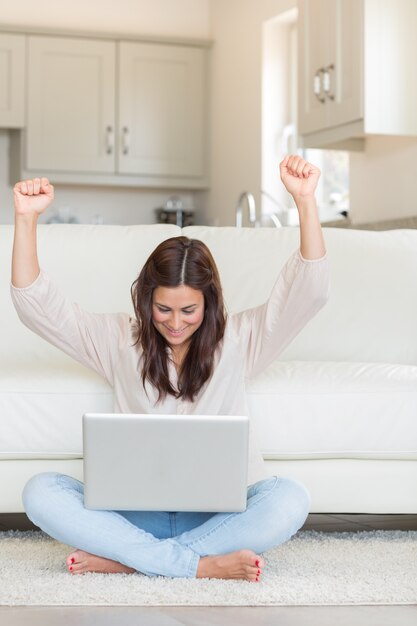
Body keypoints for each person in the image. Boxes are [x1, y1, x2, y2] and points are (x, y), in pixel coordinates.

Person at [11, 155, 329, 582]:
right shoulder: (116, 339)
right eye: (163, 309)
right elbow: (37, 306)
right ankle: (195, 565)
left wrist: (305, 202)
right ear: (146, 300)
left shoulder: (241, 338)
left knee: (290, 499)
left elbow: (307, 292)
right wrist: (26, 219)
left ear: (209, 302)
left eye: (189, 310)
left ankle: (133, 561)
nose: (175, 323)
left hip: (217, 518)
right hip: (136, 516)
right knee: (40, 492)